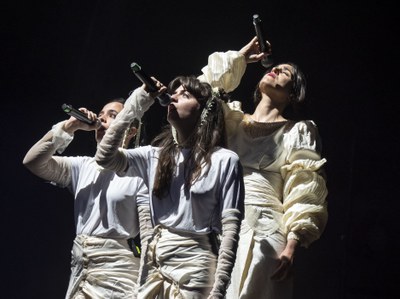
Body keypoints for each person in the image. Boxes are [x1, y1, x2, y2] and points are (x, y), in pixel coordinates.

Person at [198, 36, 329, 298]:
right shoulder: (232, 119)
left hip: (265, 230)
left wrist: (292, 244)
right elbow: (199, 95)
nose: (277, 69)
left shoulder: (298, 131)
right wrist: (241, 58)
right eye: (276, 66)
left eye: (287, 72)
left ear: (293, 92)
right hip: (218, 221)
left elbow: (303, 186)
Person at [95, 75, 245, 298]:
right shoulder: (154, 156)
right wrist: (137, 102)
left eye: (184, 95)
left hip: (195, 270)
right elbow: (104, 157)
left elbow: (230, 233)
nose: (173, 97)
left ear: (204, 111)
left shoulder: (225, 160)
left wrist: (219, 290)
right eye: (173, 93)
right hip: (155, 268)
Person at [22, 98, 152, 299]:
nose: (102, 120)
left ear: (131, 130)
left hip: (119, 272)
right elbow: (33, 162)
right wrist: (69, 126)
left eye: (112, 116)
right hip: (82, 269)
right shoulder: (82, 166)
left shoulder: (140, 168)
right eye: (101, 115)